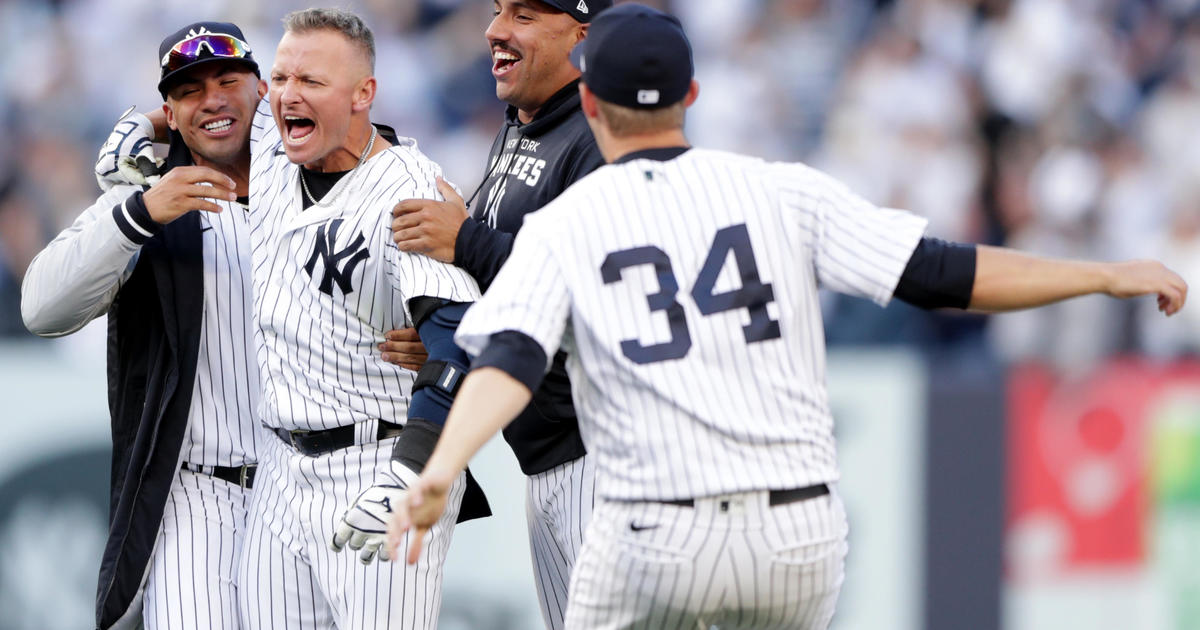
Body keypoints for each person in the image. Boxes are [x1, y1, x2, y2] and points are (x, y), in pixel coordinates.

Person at [387, 4, 1189, 629]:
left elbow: (511, 362)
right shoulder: (781, 188)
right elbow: (944, 274)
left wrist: (442, 463)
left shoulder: (572, 219)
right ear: (692, 97)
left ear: (589, 101)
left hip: (653, 530)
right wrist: (1103, 273)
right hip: (799, 535)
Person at [236, 8, 488, 630]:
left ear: (362, 94)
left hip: (376, 457)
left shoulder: (409, 189)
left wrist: (410, 472)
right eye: (280, 78)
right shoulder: (272, 145)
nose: (288, 94)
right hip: (278, 469)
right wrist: (146, 123)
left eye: (312, 82)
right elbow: (207, 107)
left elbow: (458, 343)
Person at [22, 22, 264, 630]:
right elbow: (42, 308)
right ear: (172, 113)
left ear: (264, 89)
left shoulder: (321, 193)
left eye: (228, 80)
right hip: (196, 495)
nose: (212, 98)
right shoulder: (144, 201)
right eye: (188, 91)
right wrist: (139, 212)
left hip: (307, 483)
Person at [386, 2, 610, 627]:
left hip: (602, 459)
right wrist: (452, 342)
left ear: (581, 34)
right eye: (495, 10)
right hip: (546, 462)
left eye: (526, 14)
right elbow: (518, 301)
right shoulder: (522, 124)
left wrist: (467, 242)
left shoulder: (598, 135)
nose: (495, 30)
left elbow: (591, 296)